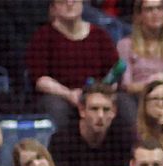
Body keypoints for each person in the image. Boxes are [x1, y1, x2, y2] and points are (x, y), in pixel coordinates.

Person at [25, 0, 120, 132]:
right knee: (56, 107)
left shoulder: (100, 35)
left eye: (74, 0)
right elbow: (40, 79)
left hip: (97, 92)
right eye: (63, 1)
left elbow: (114, 71)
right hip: (60, 95)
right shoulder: (43, 36)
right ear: (53, 7)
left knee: (122, 103)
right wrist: (69, 94)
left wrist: (101, 93)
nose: (69, 4)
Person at [49, 83, 134, 166]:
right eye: (94, 109)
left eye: (106, 109)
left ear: (114, 112)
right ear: (82, 111)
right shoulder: (62, 140)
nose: (100, 116)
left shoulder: (122, 137)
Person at [117, 0, 163, 97]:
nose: (155, 13)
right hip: (139, 98)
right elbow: (126, 85)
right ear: (139, 16)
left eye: (159, 8)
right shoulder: (125, 45)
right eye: (149, 9)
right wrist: (157, 81)